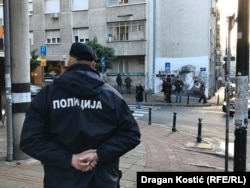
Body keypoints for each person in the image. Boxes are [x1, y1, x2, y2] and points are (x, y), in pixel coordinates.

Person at [19, 42, 141, 188]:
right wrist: (99, 154)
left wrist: (70, 159)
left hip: (60, 181)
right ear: (93, 65)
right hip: (102, 180)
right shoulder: (111, 96)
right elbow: (131, 134)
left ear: (69, 63)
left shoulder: (47, 95)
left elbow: (30, 140)